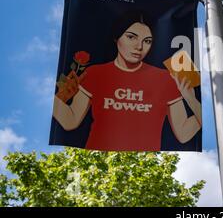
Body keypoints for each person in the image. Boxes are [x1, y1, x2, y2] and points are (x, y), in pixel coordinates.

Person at [52, 11, 201, 151]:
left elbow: (184, 135)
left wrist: (191, 100)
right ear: (117, 38)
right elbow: (70, 121)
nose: (139, 47)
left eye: (147, 41)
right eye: (131, 37)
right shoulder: (95, 73)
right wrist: (58, 98)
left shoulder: (166, 78)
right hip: (97, 162)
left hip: (145, 166)